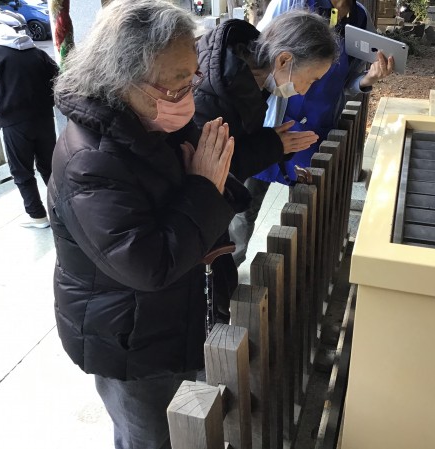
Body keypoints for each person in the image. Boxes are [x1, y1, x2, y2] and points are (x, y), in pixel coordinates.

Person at [47, 1, 249, 448]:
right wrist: (204, 188)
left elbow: (209, 179)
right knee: (150, 438)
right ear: (122, 78)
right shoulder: (90, 161)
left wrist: (211, 180)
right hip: (129, 341)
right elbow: (149, 266)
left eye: (193, 77)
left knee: (185, 425)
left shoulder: (151, 119)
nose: (189, 94)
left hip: (170, 318)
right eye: (177, 83)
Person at [227, 0, 395, 267]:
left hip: (315, 127)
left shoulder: (360, 18)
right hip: (269, 123)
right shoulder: (291, 3)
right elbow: (260, 59)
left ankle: (297, 266)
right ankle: (230, 267)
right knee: (244, 204)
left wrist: (368, 79)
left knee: (304, 207)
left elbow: (349, 80)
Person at [193, 10, 340, 265]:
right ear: (283, 60)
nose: (304, 90)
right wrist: (272, 145)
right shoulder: (216, 91)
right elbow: (212, 171)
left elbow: (236, 142)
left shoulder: (249, 76)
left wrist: (274, 143)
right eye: (310, 80)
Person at [0, 24, 59, 229]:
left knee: (22, 170)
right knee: (50, 166)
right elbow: (57, 79)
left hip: (14, 122)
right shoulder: (38, 53)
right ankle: (62, 211)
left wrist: (4, 102)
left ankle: (37, 216)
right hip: (43, 119)